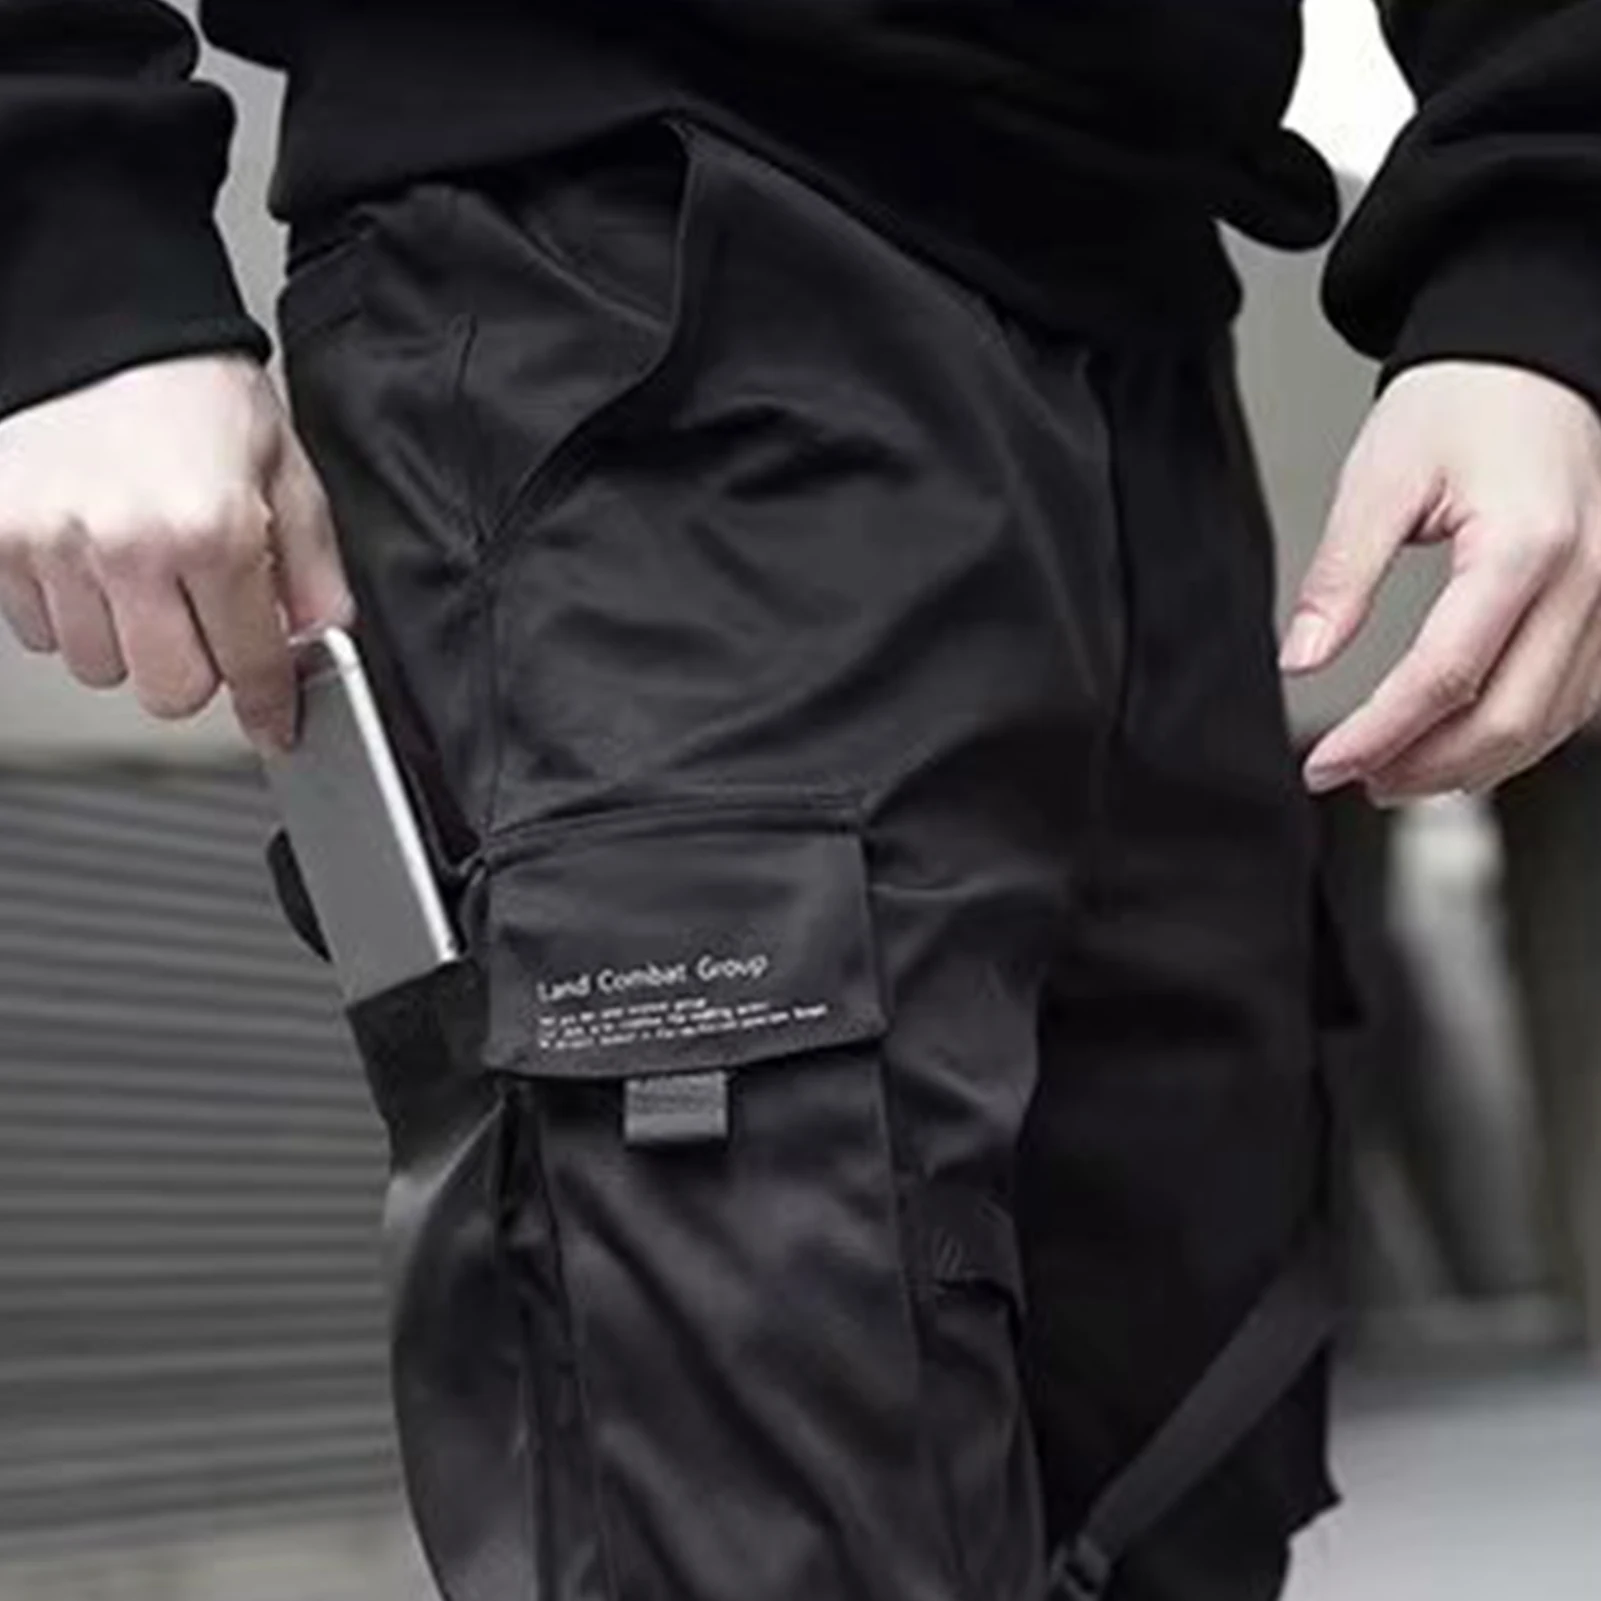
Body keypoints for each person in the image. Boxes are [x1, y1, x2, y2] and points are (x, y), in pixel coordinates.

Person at [3, 4, 1600, 1599]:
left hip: (1148, 316)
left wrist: (1539, 249)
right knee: (772, 1505)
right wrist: (67, 233)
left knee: (1182, 1469)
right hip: (611, 277)